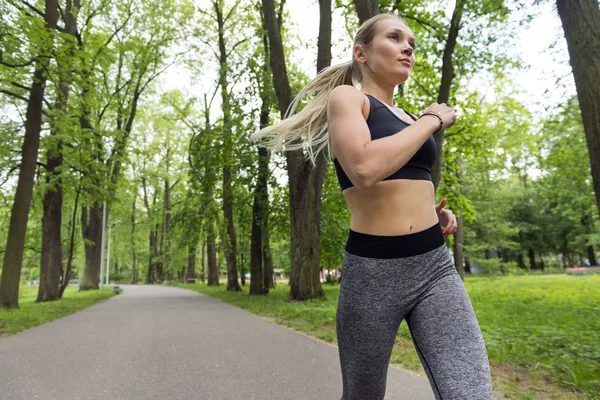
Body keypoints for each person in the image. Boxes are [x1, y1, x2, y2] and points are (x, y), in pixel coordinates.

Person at [252, 12, 492, 400]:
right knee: (363, 395)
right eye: (396, 38)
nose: (408, 48)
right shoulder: (349, 99)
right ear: (361, 53)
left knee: (471, 391)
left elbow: (403, 181)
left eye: (411, 43)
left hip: (434, 266)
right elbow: (364, 169)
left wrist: (429, 214)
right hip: (373, 273)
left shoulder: (408, 118)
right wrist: (432, 119)